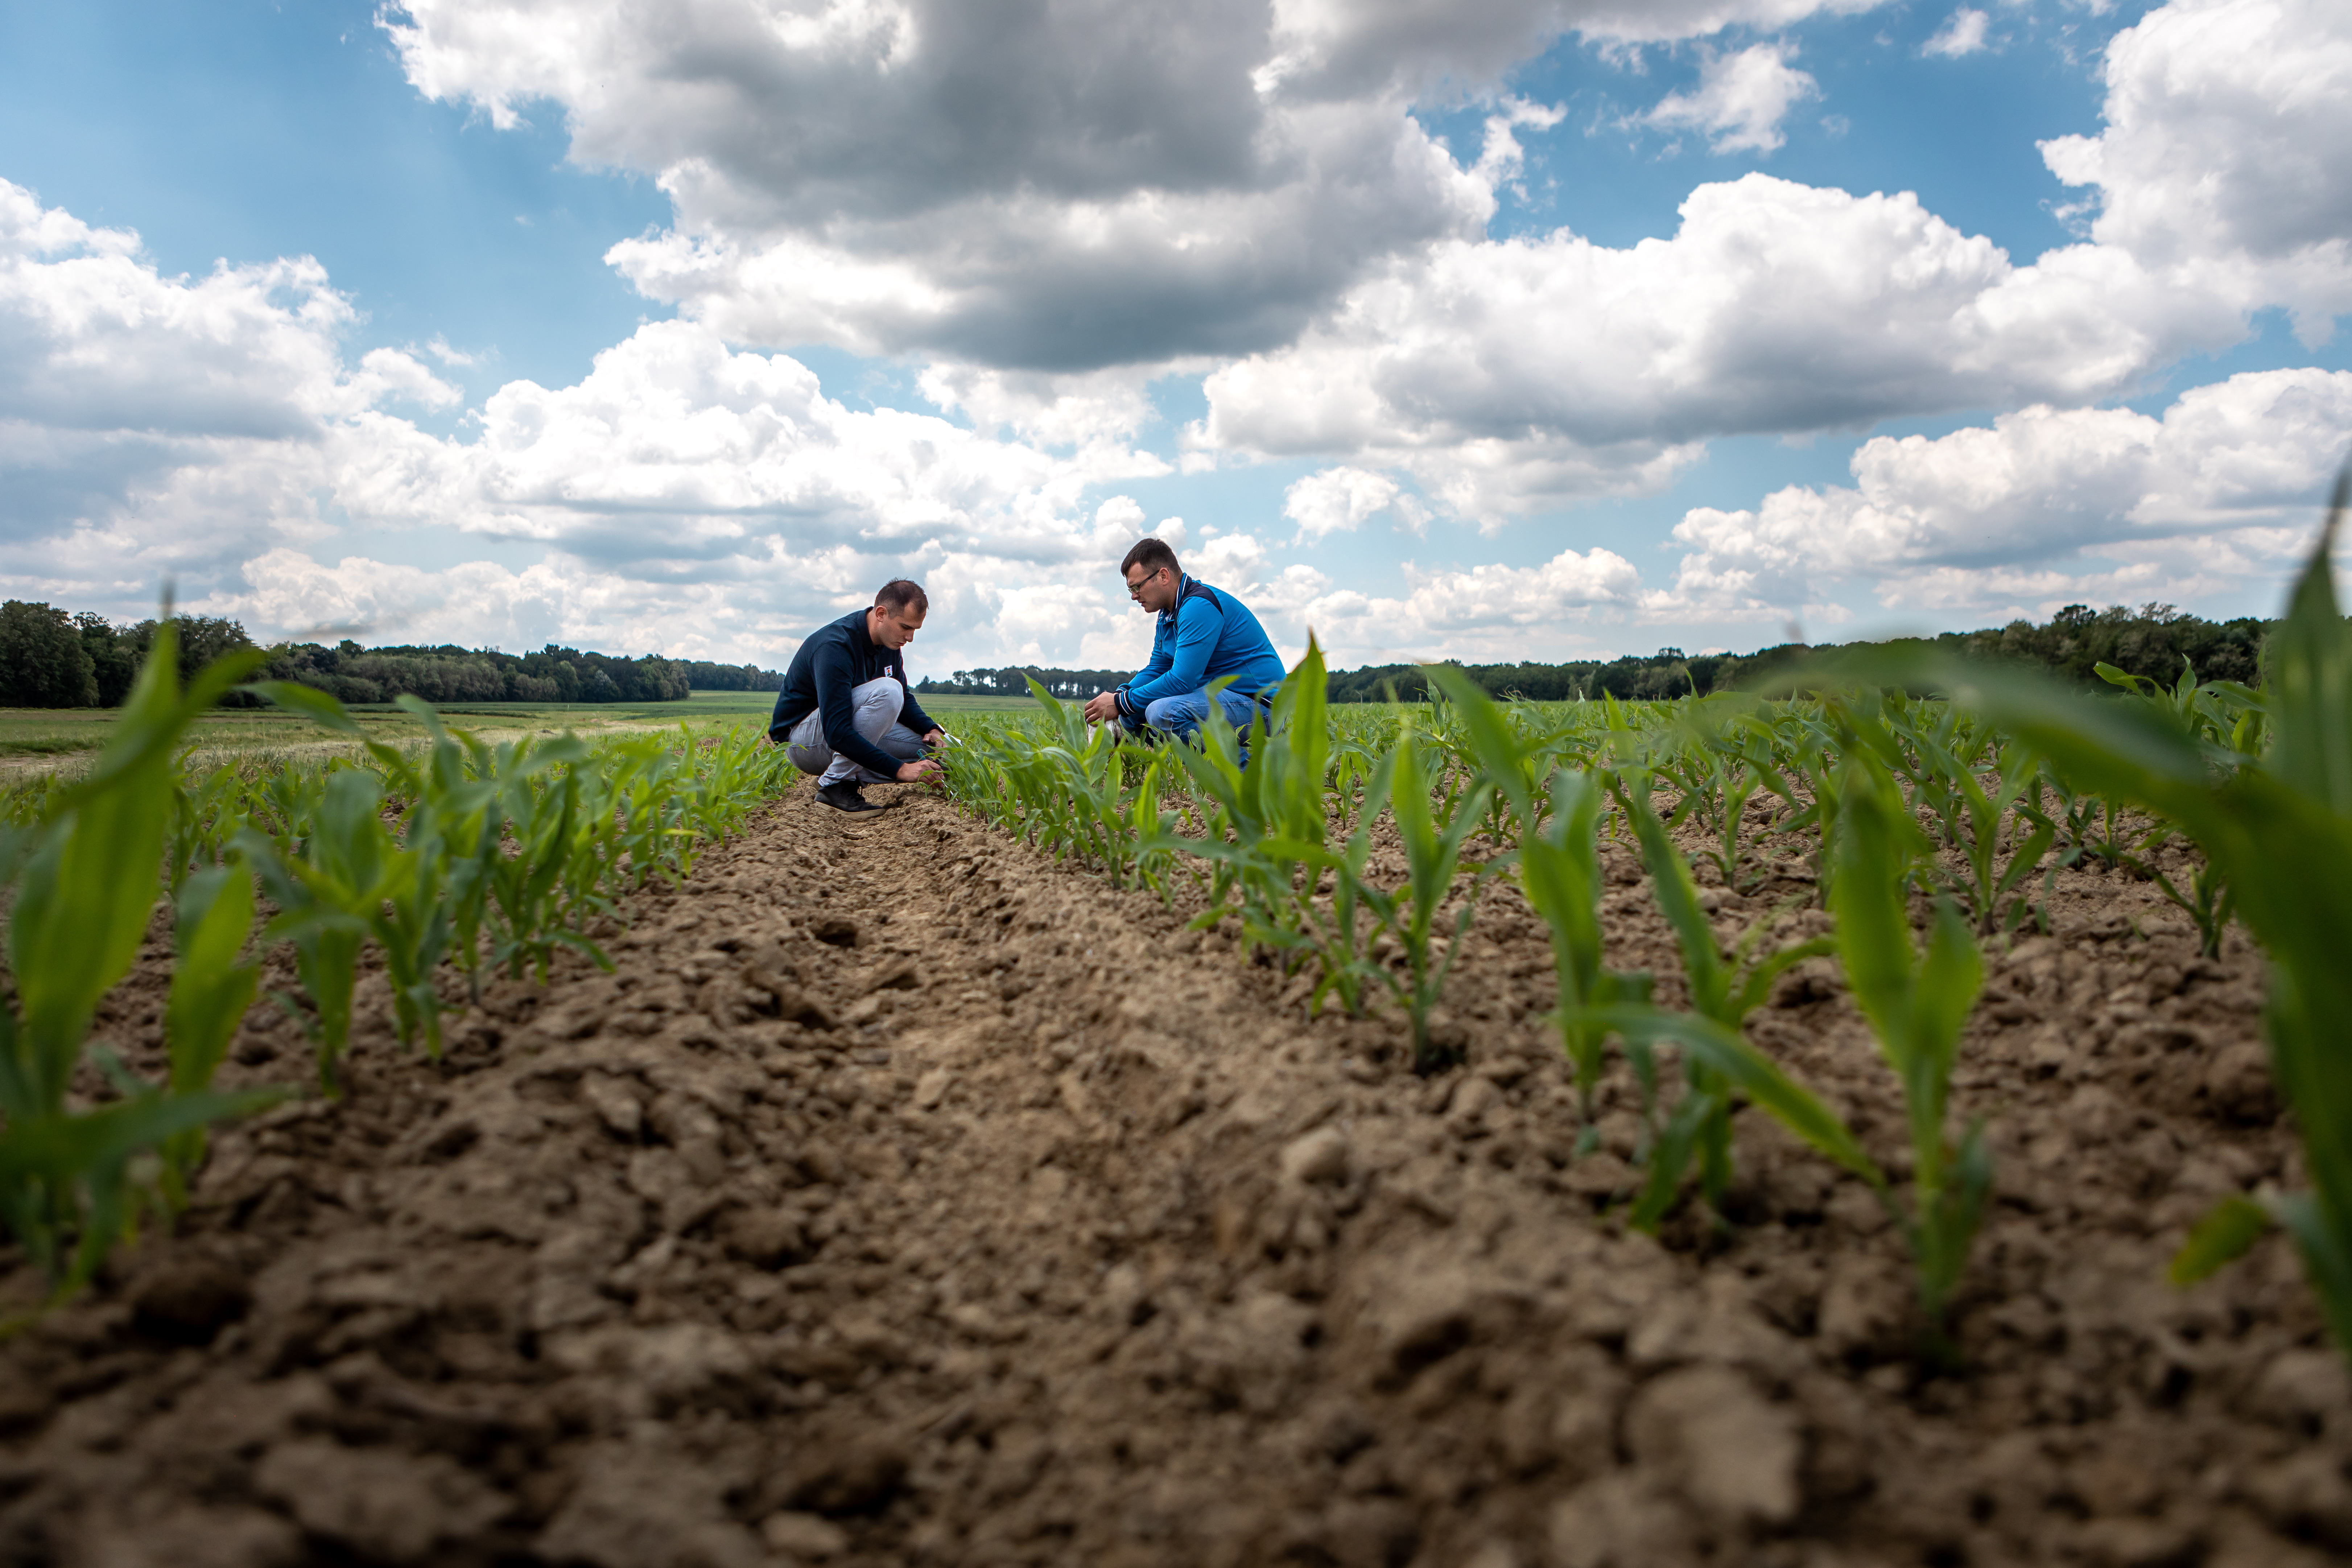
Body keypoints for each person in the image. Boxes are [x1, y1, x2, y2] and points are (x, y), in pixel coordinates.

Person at [1080, 538, 1287, 748]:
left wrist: (1120, 703)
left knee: (1161, 713)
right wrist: (1121, 695)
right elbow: (1158, 668)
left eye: (1137, 587)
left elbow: (1182, 681)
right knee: (1132, 715)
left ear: (1163, 576)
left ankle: (1248, 771)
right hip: (1226, 699)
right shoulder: (1167, 615)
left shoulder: (1198, 607)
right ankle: (1201, 766)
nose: (1134, 596)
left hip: (1261, 706)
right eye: (1130, 589)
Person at [768, 580, 945, 813]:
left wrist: (932, 729)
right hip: (802, 741)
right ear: (881, 614)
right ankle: (835, 785)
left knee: (944, 751)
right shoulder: (835, 647)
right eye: (905, 627)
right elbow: (837, 733)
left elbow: (905, 700)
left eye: (915, 630)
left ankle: (841, 773)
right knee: (889, 693)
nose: (910, 637)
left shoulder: (890, 646)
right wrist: (902, 770)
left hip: (836, 734)